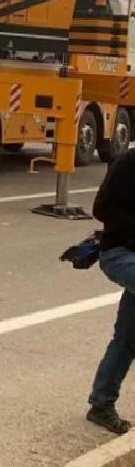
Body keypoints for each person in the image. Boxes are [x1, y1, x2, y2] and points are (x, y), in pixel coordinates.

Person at [87, 146, 135, 434]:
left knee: (127, 339)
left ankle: (101, 405)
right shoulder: (128, 162)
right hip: (120, 253)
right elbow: (101, 208)